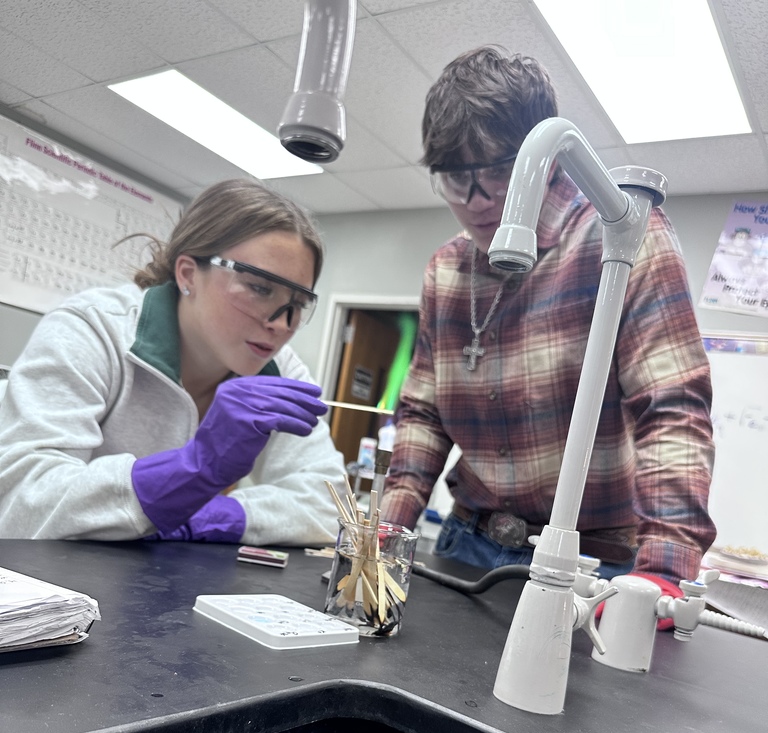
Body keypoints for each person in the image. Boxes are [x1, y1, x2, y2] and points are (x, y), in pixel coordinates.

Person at [379, 47, 717, 589]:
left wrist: (665, 568)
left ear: (549, 157)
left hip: (591, 564)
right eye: (454, 179)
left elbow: (672, 406)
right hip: (466, 542)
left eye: (499, 170)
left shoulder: (624, 236)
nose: (477, 200)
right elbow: (422, 412)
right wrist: (387, 526)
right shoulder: (446, 270)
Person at [0, 179, 347, 545]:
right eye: (259, 288)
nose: (280, 323)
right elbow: (18, 501)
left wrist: (212, 516)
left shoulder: (280, 368)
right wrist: (188, 471)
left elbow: (331, 505)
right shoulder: (92, 330)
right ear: (187, 275)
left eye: (298, 303)